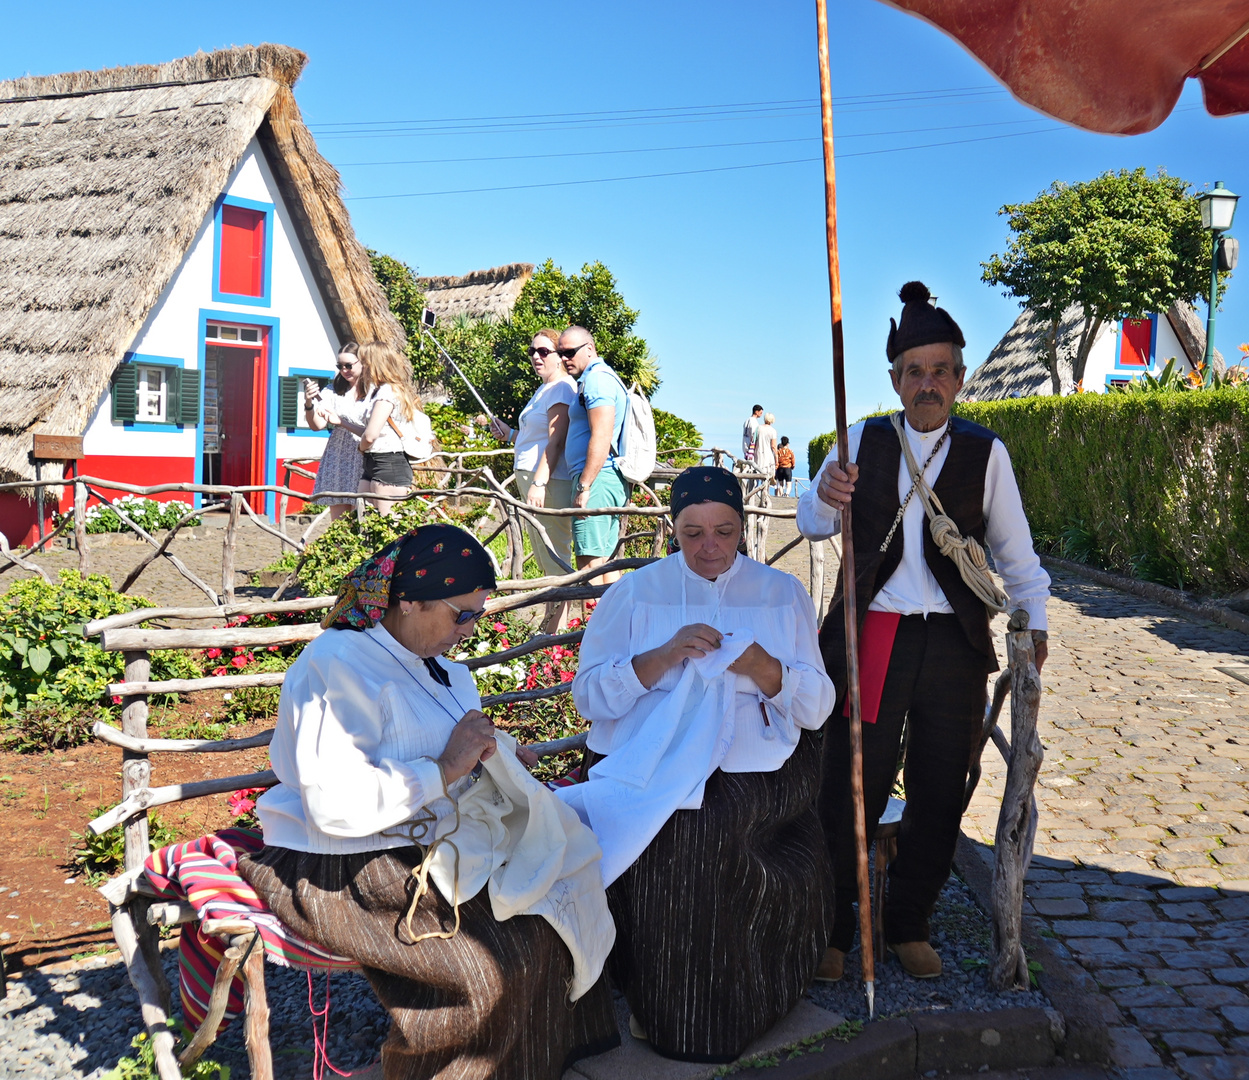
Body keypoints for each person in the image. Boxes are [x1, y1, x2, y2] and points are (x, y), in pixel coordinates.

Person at [238, 524, 619, 1080]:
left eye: (478, 615)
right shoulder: (335, 666)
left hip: (432, 845)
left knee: (550, 921)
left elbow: (453, 754)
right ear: (409, 600)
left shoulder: (442, 671)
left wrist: (500, 759)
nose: (468, 630)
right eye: (459, 614)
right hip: (348, 863)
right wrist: (445, 769)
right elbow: (333, 805)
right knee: (485, 972)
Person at [797, 281, 1050, 982]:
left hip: (952, 644)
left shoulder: (983, 453)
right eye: (914, 371)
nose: (927, 383)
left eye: (940, 370)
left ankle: (908, 919)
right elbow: (809, 522)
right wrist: (824, 494)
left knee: (942, 785)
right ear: (895, 380)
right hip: (871, 636)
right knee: (852, 784)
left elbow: (1018, 558)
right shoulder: (861, 438)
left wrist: (1035, 632)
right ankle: (836, 926)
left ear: (960, 378)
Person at [562, 467, 835, 1063]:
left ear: (742, 524)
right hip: (651, 763)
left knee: (717, 832)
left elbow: (817, 707)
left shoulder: (779, 592)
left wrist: (766, 670)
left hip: (756, 763)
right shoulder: (633, 594)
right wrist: (659, 658)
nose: (709, 547)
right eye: (692, 534)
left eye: (724, 531)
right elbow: (589, 698)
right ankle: (663, 1003)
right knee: (679, 836)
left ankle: (748, 998)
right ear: (672, 529)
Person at [492, 329, 578, 626]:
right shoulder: (545, 388)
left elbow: (556, 441)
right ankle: (551, 626)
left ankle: (557, 633)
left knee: (554, 556)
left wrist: (540, 482)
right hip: (535, 476)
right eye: (532, 351)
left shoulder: (561, 388)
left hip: (549, 482)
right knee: (543, 556)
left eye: (544, 351)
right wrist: (511, 433)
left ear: (558, 356)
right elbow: (536, 438)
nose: (536, 357)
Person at [559, 326, 630, 585]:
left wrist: (584, 485)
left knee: (589, 564)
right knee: (603, 560)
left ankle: (595, 624)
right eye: (560, 353)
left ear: (589, 349)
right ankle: (616, 623)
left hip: (597, 479)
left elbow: (601, 435)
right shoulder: (598, 378)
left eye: (569, 352)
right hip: (603, 477)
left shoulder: (597, 380)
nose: (564, 358)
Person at [355, 342, 432, 516]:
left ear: (373, 364)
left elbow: (371, 435)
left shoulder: (387, 392)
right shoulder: (378, 391)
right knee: (364, 524)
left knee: (388, 526)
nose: (361, 366)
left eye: (364, 361)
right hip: (375, 462)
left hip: (388, 463)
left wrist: (360, 448)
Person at [303, 342, 368, 520]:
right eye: (340, 366)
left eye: (349, 365)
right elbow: (317, 425)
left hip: (364, 454)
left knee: (363, 515)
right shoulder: (334, 390)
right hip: (339, 454)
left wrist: (341, 421)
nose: (344, 370)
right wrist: (309, 404)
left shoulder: (374, 391)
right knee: (339, 520)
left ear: (363, 362)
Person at [754, 412, 778, 488]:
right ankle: (764, 494)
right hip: (768, 454)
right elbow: (773, 446)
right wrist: (776, 457)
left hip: (758, 453)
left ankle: (753, 493)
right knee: (767, 476)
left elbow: (754, 441)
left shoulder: (758, 428)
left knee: (756, 473)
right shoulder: (773, 431)